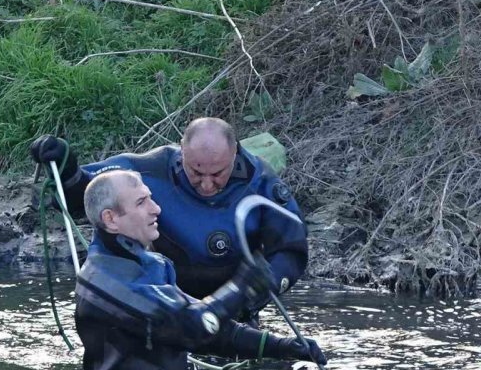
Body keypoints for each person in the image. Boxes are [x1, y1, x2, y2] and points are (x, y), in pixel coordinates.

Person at [74, 169, 326, 370]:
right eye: (141, 202)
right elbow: (192, 326)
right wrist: (242, 287)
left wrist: (281, 346)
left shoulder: (151, 265)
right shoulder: (105, 284)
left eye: (151, 198)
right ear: (111, 219)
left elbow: (211, 331)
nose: (156, 209)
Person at [30, 117, 309, 309]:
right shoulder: (152, 169)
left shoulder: (260, 183)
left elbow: (292, 248)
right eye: (196, 172)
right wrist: (66, 169)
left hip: (235, 307)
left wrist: (261, 287)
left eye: (218, 173)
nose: (207, 184)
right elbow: (86, 197)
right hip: (161, 302)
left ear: (235, 153)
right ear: (182, 152)